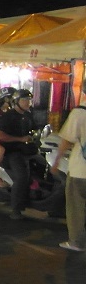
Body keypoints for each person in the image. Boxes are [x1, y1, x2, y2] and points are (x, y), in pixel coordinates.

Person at [51, 91, 86, 251]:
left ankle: (76, 242)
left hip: (80, 169)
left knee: (76, 206)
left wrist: (57, 161)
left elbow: (66, 139)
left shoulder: (80, 112)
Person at [0, 88, 36, 220]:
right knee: (22, 177)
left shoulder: (28, 115)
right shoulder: (9, 116)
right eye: (25, 100)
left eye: (29, 100)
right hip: (12, 152)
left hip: (27, 151)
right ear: (17, 101)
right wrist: (20, 139)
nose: (28, 102)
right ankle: (15, 209)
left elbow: (33, 130)